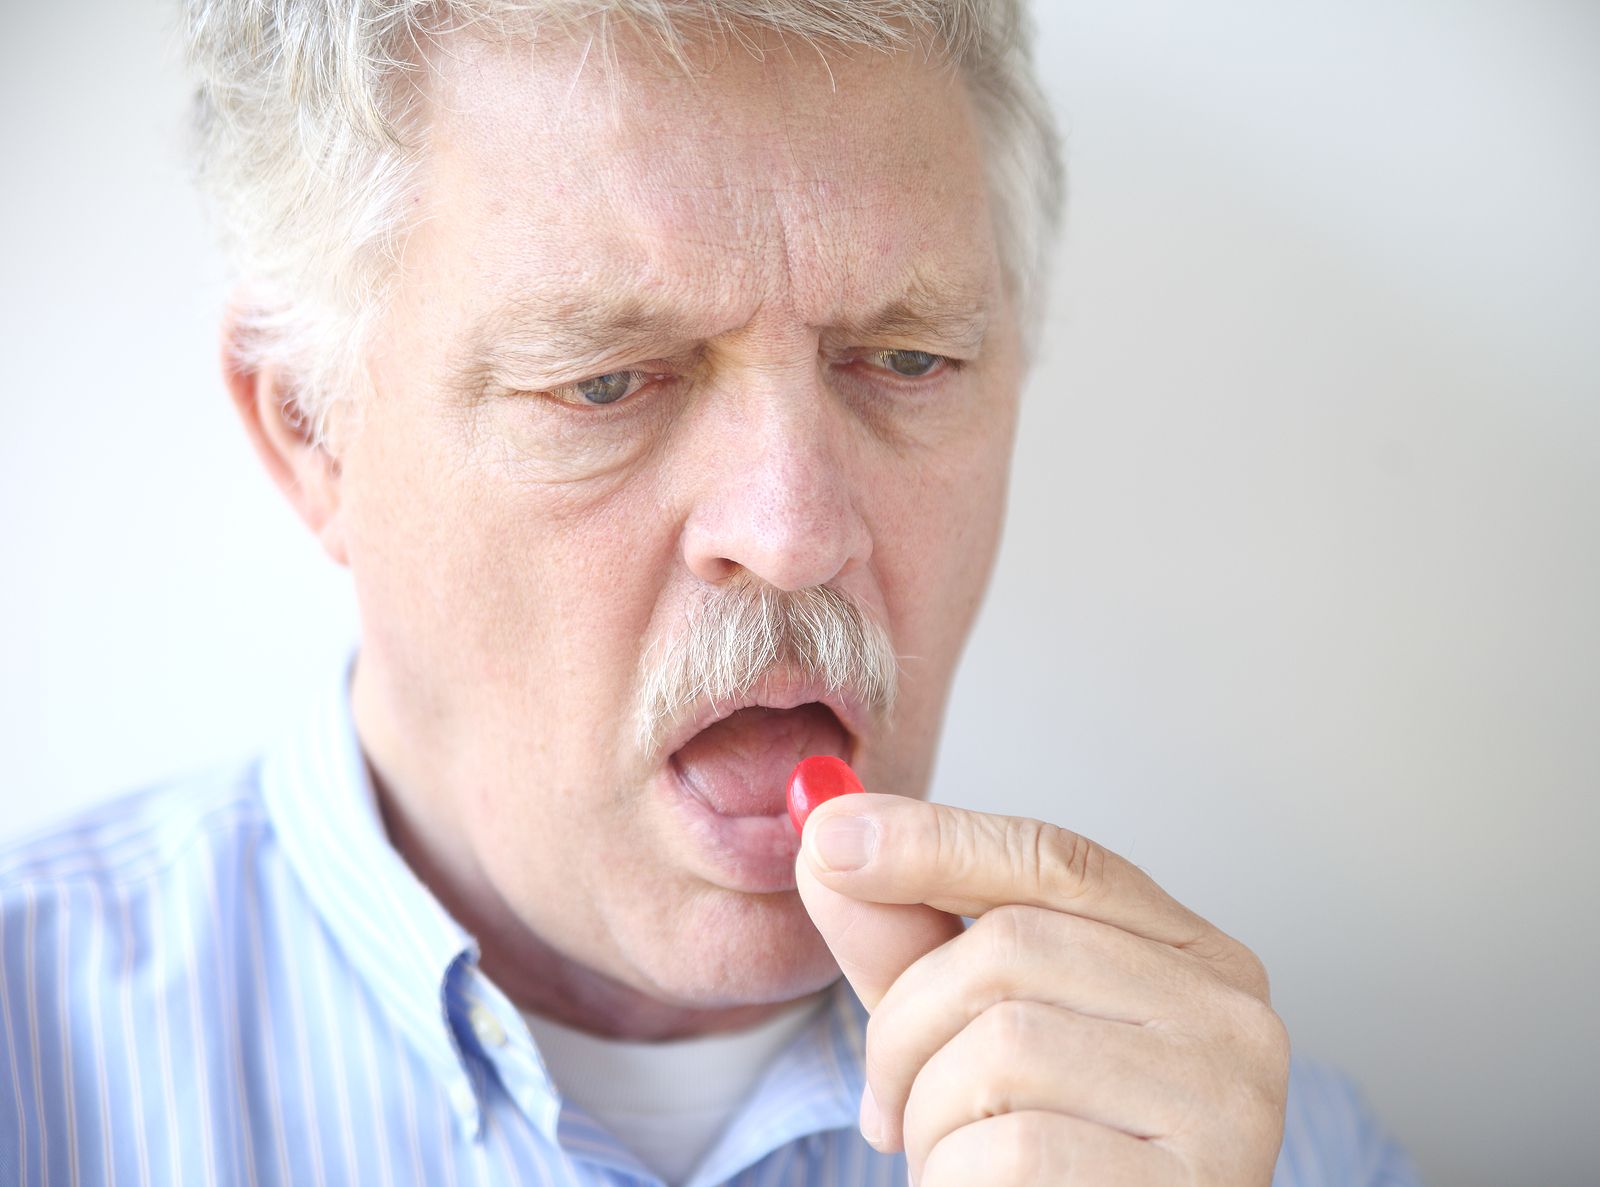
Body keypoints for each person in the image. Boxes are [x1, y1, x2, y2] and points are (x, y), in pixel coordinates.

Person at [0, 2, 1422, 1184]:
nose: (796, 532)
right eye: (605, 381)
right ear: (310, 430)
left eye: (908, 359)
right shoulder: (34, 1068)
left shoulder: (1251, 1147)